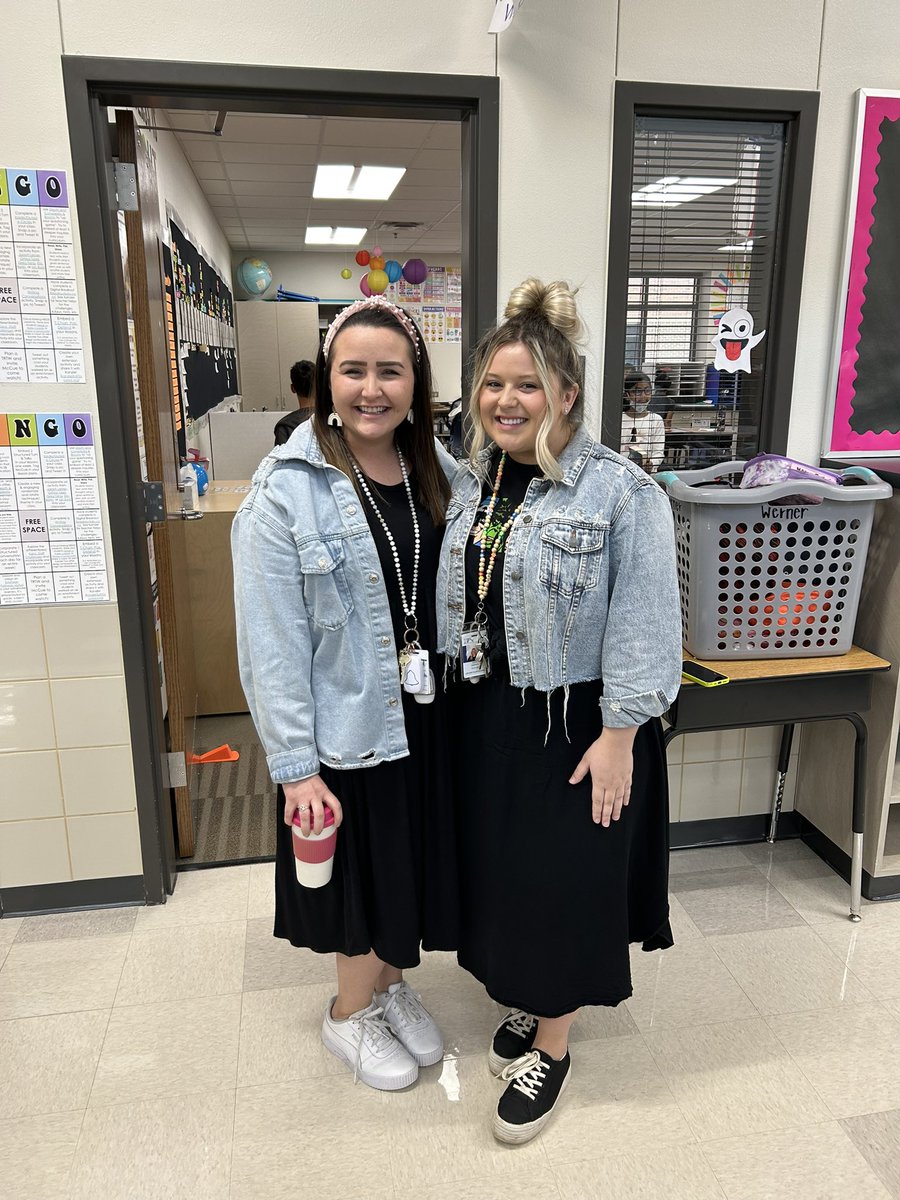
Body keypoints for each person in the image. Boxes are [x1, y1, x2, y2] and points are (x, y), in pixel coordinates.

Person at [437, 280, 682, 1143]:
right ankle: (527, 996)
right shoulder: (478, 481)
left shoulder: (620, 492)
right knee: (503, 876)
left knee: (560, 885)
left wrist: (621, 734)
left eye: (528, 385)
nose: (507, 401)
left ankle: (555, 1042)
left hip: (576, 725)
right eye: (494, 385)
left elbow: (650, 625)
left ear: (568, 393)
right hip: (488, 714)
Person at [234, 296, 459, 1092]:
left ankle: (391, 988)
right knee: (360, 884)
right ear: (327, 379)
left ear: (416, 381)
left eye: (389, 371)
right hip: (345, 727)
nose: (372, 388)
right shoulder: (286, 489)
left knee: (406, 872)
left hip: (426, 718)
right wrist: (296, 766)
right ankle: (347, 1013)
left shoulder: (440, 468)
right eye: (353, 370)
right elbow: (271, 644)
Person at [621, 369, 666, 472]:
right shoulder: (619, 419)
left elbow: (658, 452)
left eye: (647, 391)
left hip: (646, 474)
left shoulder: (656, 420)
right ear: (627, 395)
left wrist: (651, 464)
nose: (643, 396)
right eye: (637, 391)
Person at [273, 358, 314, 445]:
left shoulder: (285, 426)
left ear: (293, 388)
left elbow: (281, 457)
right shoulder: (331, 421)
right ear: (318, 386)